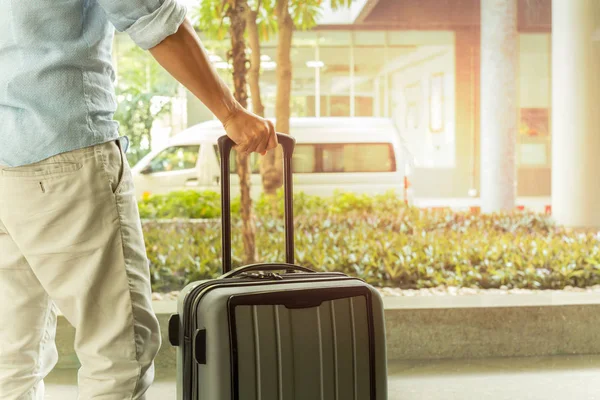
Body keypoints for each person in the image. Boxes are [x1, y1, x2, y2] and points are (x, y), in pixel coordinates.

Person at [0, 0, 277, 398]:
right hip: (64, 150)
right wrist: (230, 112)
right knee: (116, 353)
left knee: (11, 354)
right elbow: (154, 19)